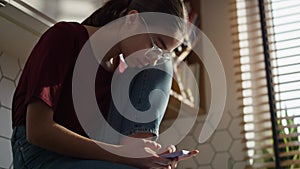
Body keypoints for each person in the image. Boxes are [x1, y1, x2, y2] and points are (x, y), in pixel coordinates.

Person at [11, 0, 199, 168]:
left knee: (164, 65)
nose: (154, 58)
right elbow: (37, 132)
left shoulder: (120, 72)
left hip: (85, 155)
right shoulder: (65, 37)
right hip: (39, 155)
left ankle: (139, 149)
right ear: (132, 20)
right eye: (156, 45)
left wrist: (149, 157)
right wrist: (122, 155)